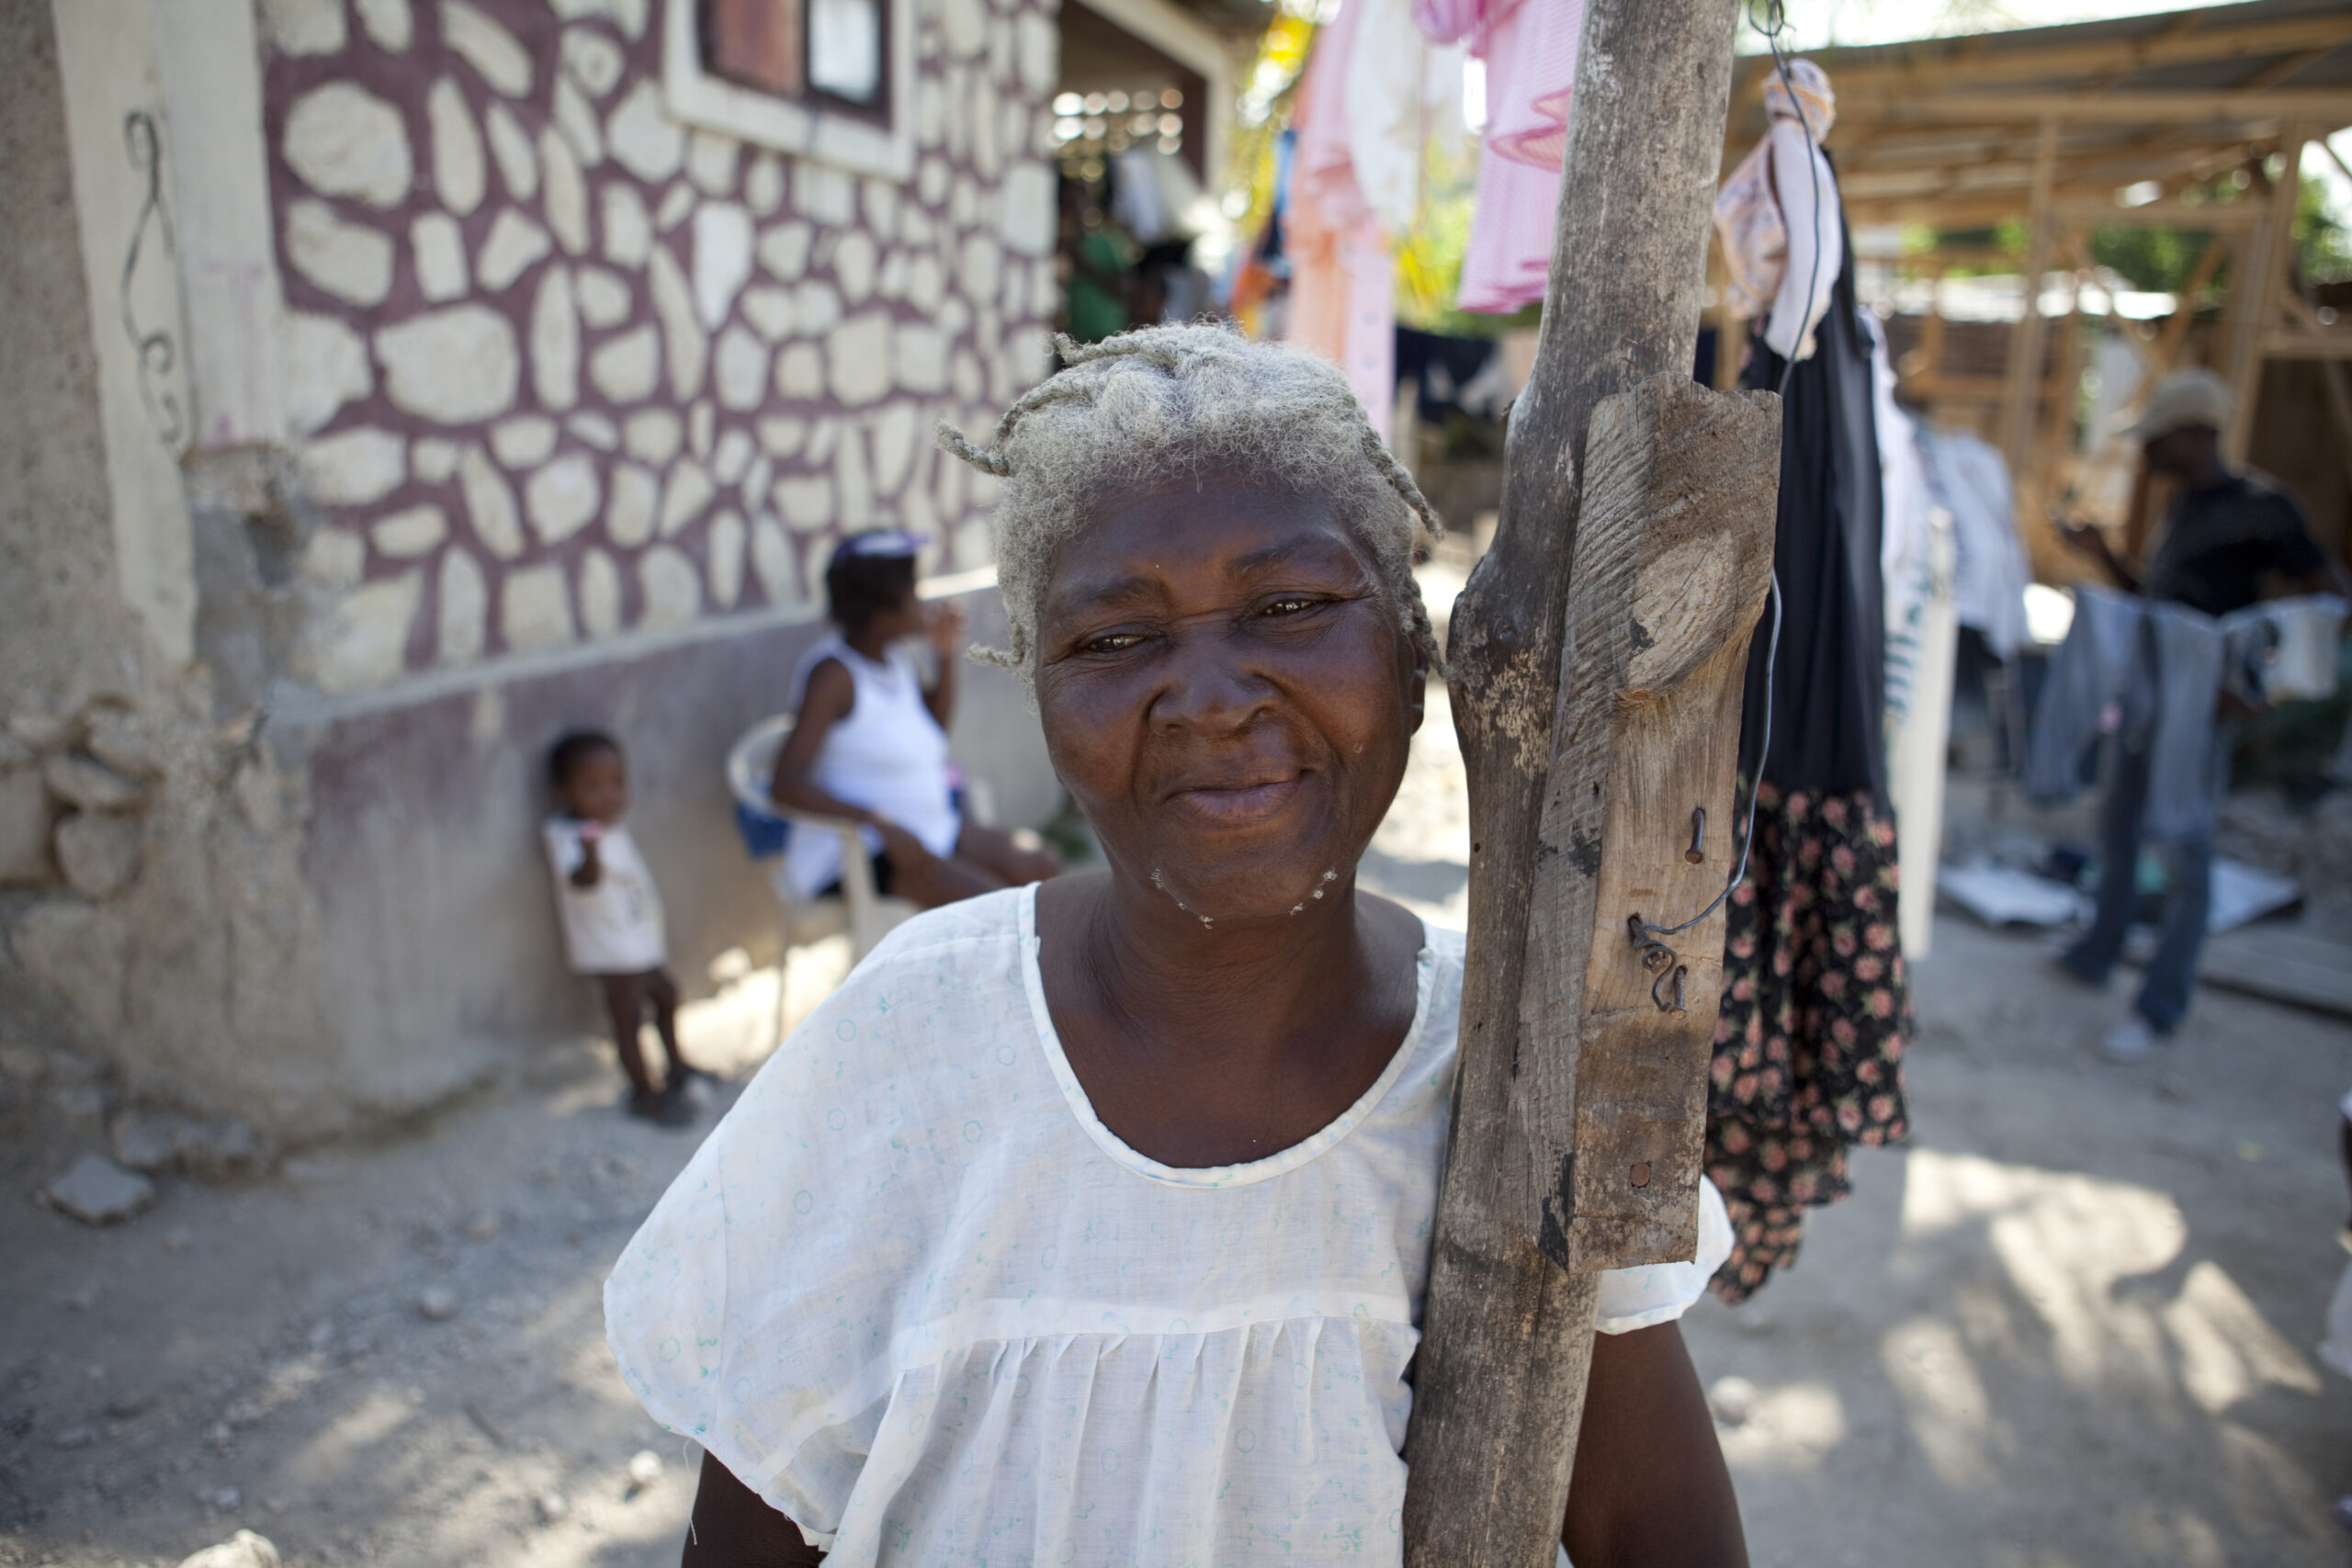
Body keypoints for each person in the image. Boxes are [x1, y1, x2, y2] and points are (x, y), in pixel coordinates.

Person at [606, 326, 1747, 1567]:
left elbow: (1651, 1529)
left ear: (1412, 657)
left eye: (1290, 607)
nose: (1211, 696)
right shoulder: (908, 1043)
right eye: (1113, 639)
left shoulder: (1522, 1062)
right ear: (1044, 696)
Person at [2057, 368, 2349, 1062]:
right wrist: (2105, 559)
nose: (2148, 451)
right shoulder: (2184, 505)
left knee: (2186, 854)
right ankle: (2097, 953)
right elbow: (2161, 603)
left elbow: (2329, 603)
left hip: (2201, 709)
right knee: (2119, 830)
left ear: (2194, 433)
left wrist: (2260, 685)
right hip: (2150, 695)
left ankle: (2159, 1005)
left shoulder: (2262, 508)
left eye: (2157, 438)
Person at [769, 529, 1061, 909]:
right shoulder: (833, 676)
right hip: (859, 851)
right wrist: (877, 821)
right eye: (912, 592)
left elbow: (931, 733)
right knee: (997, 909)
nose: (921, 602)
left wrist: (944, 656)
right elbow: (785, 785)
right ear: (881, 611)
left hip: (925, 827)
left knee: (1040, 864)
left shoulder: (895, 659)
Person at [543, 730, 706, 1128]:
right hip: (612, 951)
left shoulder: (607, 826)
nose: (608, 796)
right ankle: (645, 1093)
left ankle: (677, 1068)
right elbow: (582, 881)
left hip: (637, 943)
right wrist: (590, 854)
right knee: (628, 1020)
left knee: (667, 995)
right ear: (562, 792)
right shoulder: (569, 835)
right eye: (592, 787)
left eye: (616, 783)